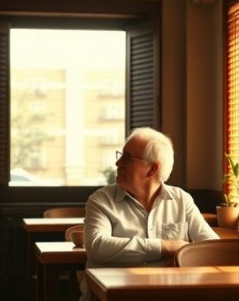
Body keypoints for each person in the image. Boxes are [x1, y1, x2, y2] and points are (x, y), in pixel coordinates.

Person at [81, 127, 219, 300]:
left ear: (152, 169)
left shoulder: (181, 199)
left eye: (128, 158)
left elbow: (213, 247)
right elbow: (97, 247)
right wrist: (164, 246)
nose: (118, 163)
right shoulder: (100, 200)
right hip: (113, 296)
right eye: (121, 155)